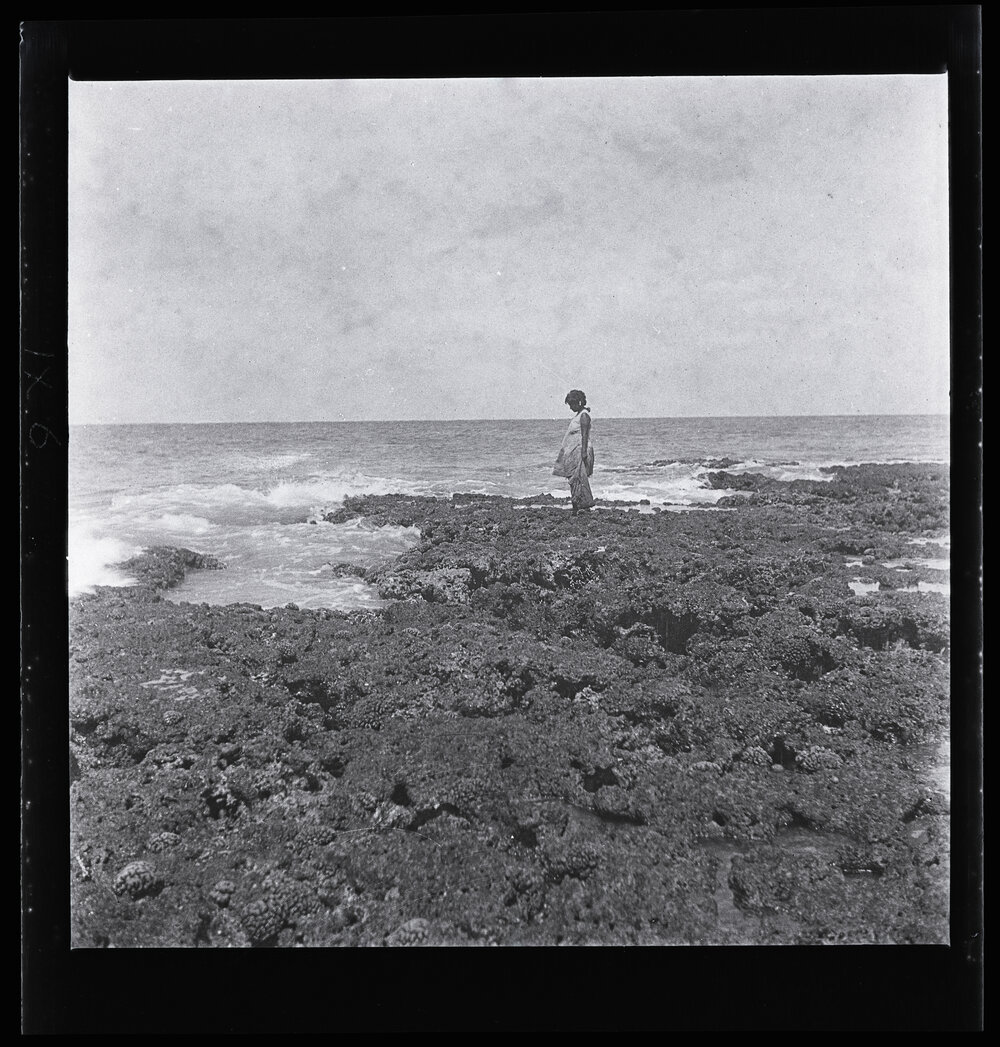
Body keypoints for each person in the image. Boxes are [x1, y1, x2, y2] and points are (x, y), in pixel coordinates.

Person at [553, 389, 596, 514]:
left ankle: (583, 505)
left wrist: (583, 452)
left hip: (580, 449)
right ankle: (577, 504)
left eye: (572, 404)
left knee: (579, 478)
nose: (571, 407)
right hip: (574, 450)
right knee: (573, 478)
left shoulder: (583, 416)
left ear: (579, 402)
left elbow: (584, 435)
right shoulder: (579, 415)